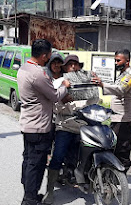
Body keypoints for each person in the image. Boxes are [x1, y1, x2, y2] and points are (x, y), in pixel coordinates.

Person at [17, 39, 70, 205]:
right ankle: (30, 199)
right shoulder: (38, 73)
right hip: (39, 126)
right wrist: (65, 86)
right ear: (44, 55)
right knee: (36, 164)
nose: (49, 60)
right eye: (48, 56)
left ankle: (29, 192)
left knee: (28, 160)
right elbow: (54, 95)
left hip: (28, 123)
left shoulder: (24, 68)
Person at [42, 55, 99, 204]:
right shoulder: (60, 82)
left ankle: (86, 177)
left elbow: (94, 100)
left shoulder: (86, 81)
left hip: (84, 124)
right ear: (65, 68)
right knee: (58, 156)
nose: (73, 67)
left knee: (90, 151)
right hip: (66, 125)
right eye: (70, 64)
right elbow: (53, 103)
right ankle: (49, 191)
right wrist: (62, 100)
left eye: (76, 64)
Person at [92, 49, 131, 173]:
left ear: (127, 61)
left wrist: (102, 85)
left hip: (125, 118)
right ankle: (115, 173)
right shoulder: (123, 74)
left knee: (123, 147)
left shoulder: (130, 75)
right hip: (117, 117)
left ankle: (122, 174)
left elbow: (120, 90)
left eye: (118, 60)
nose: (116, 63)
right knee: (114, 145)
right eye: (115, 60)